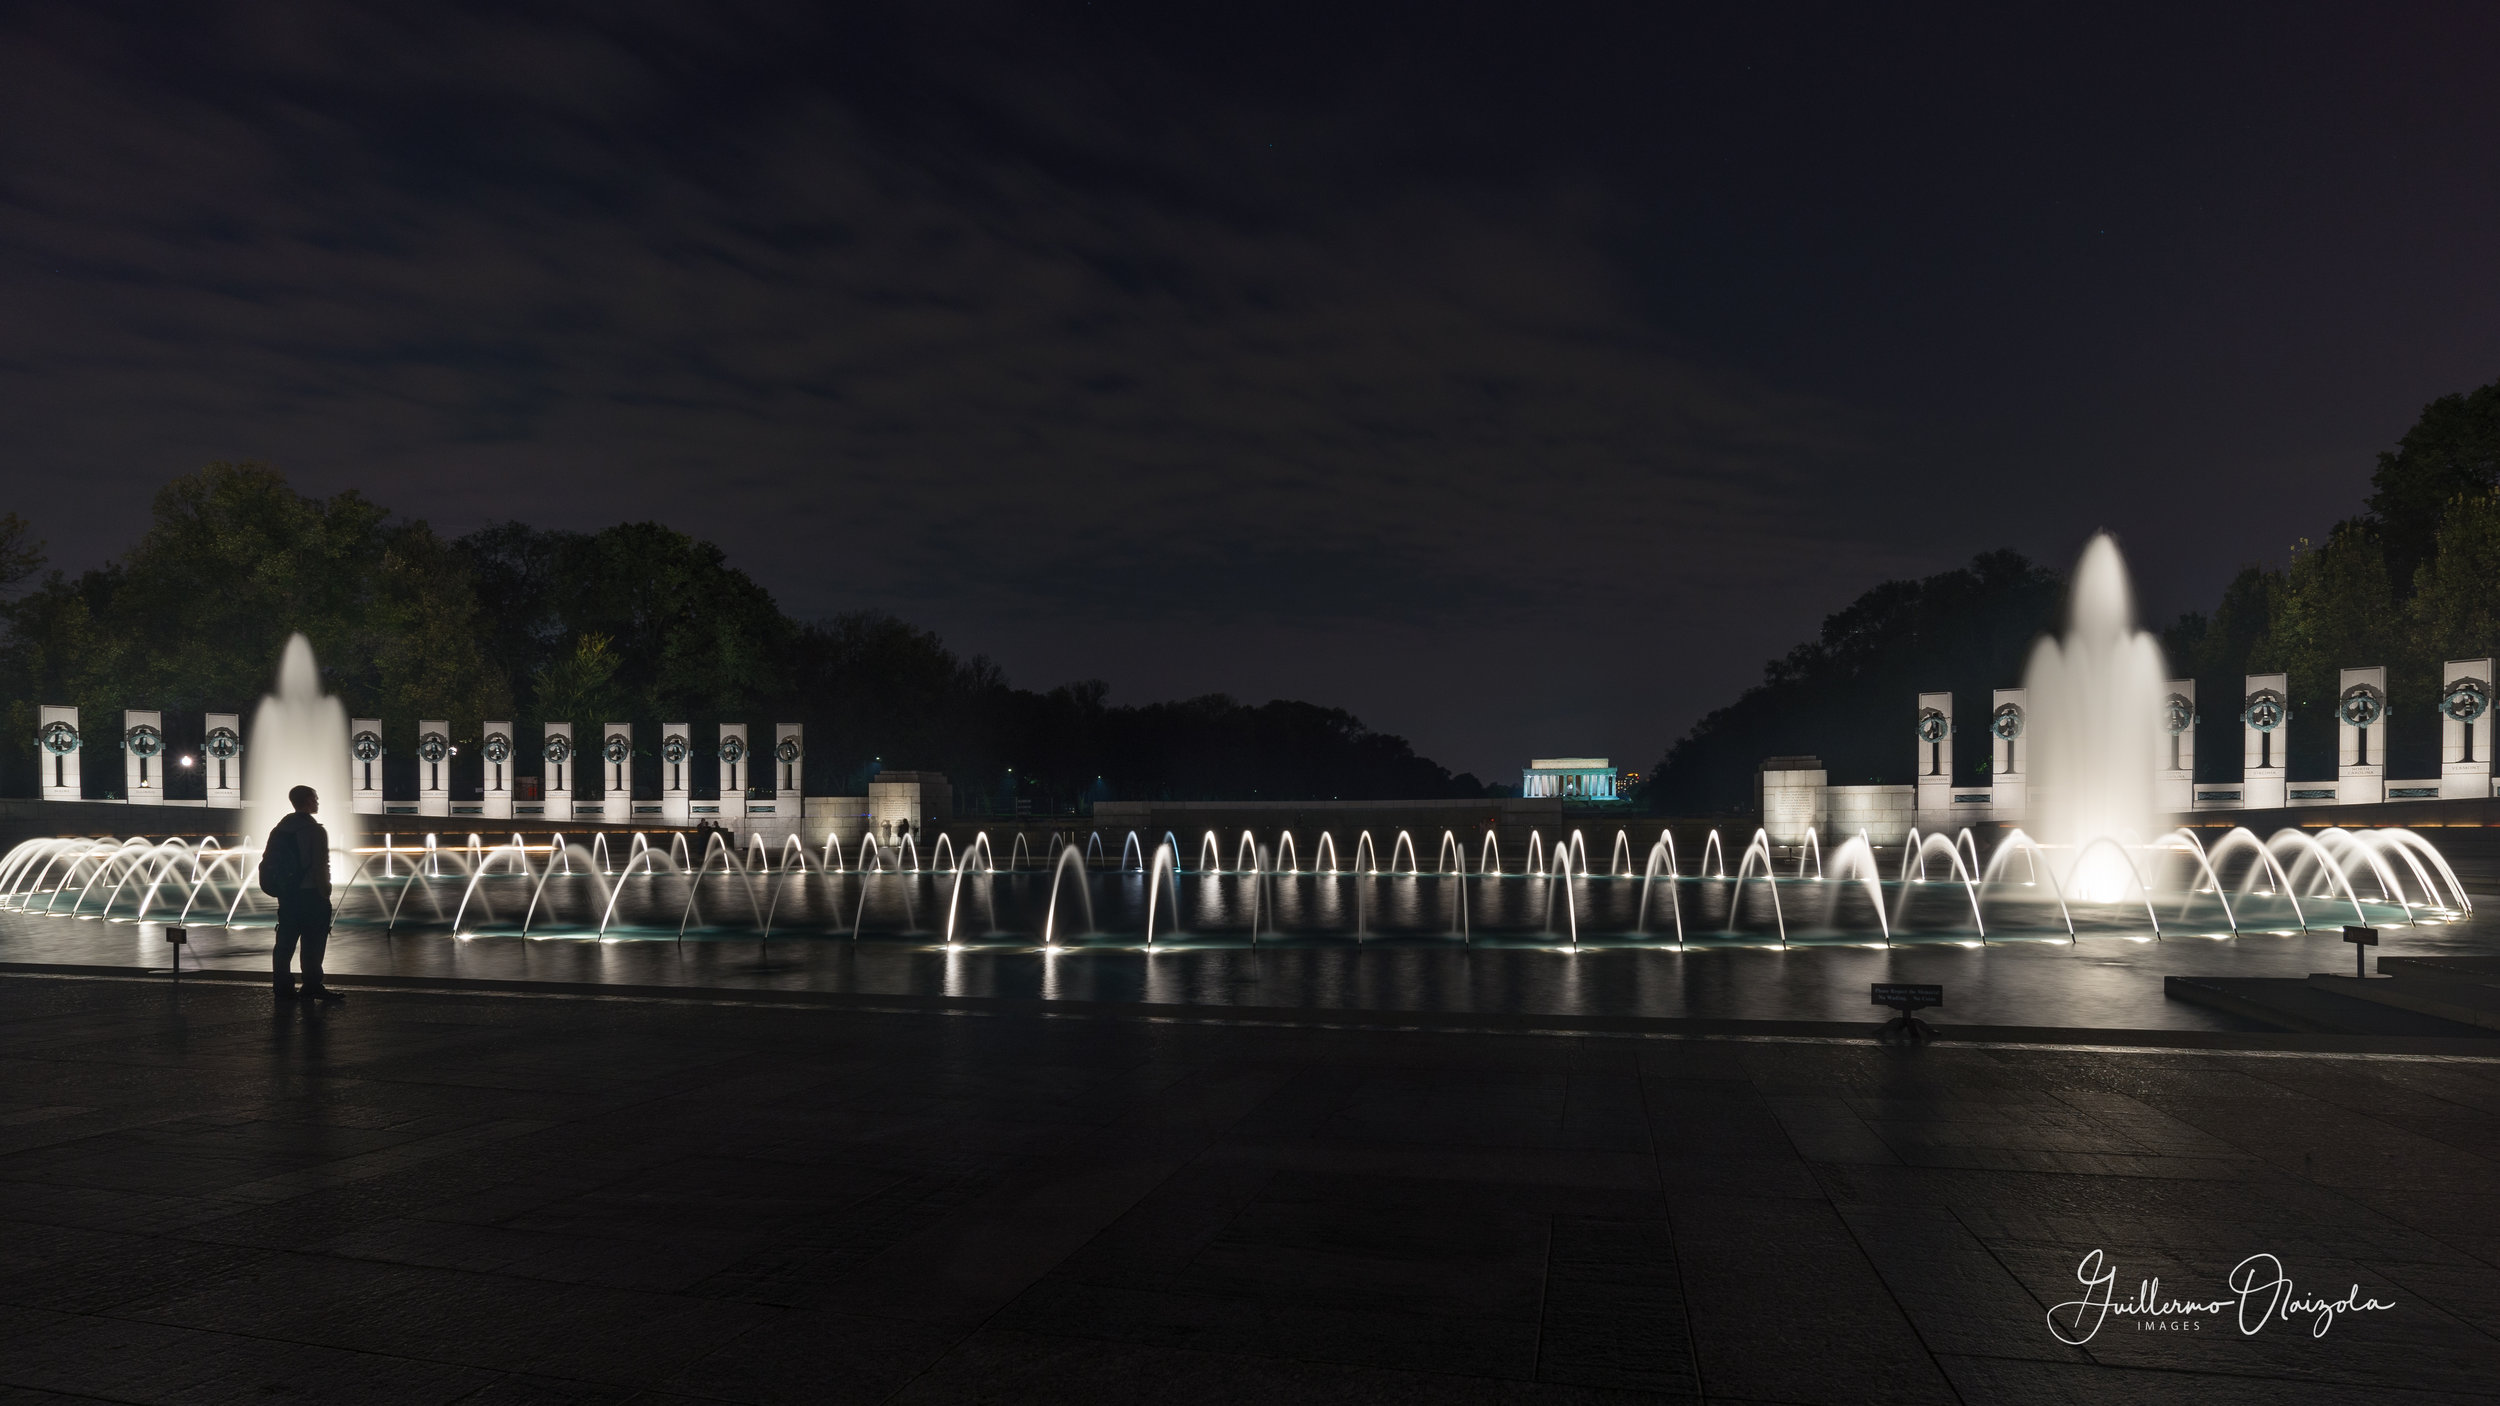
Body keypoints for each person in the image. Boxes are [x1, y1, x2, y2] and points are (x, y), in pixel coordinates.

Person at [268, 784, 343, 1002]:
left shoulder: (279, 828)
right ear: (308, 801)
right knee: (313, 942)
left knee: (285, 941)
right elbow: (321, 865)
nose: (317, 802)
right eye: (315, 798)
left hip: (287, 893)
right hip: (311, 894)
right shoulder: (315, 830)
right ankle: (311, 984)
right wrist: (325, 891)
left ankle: (282, 985)